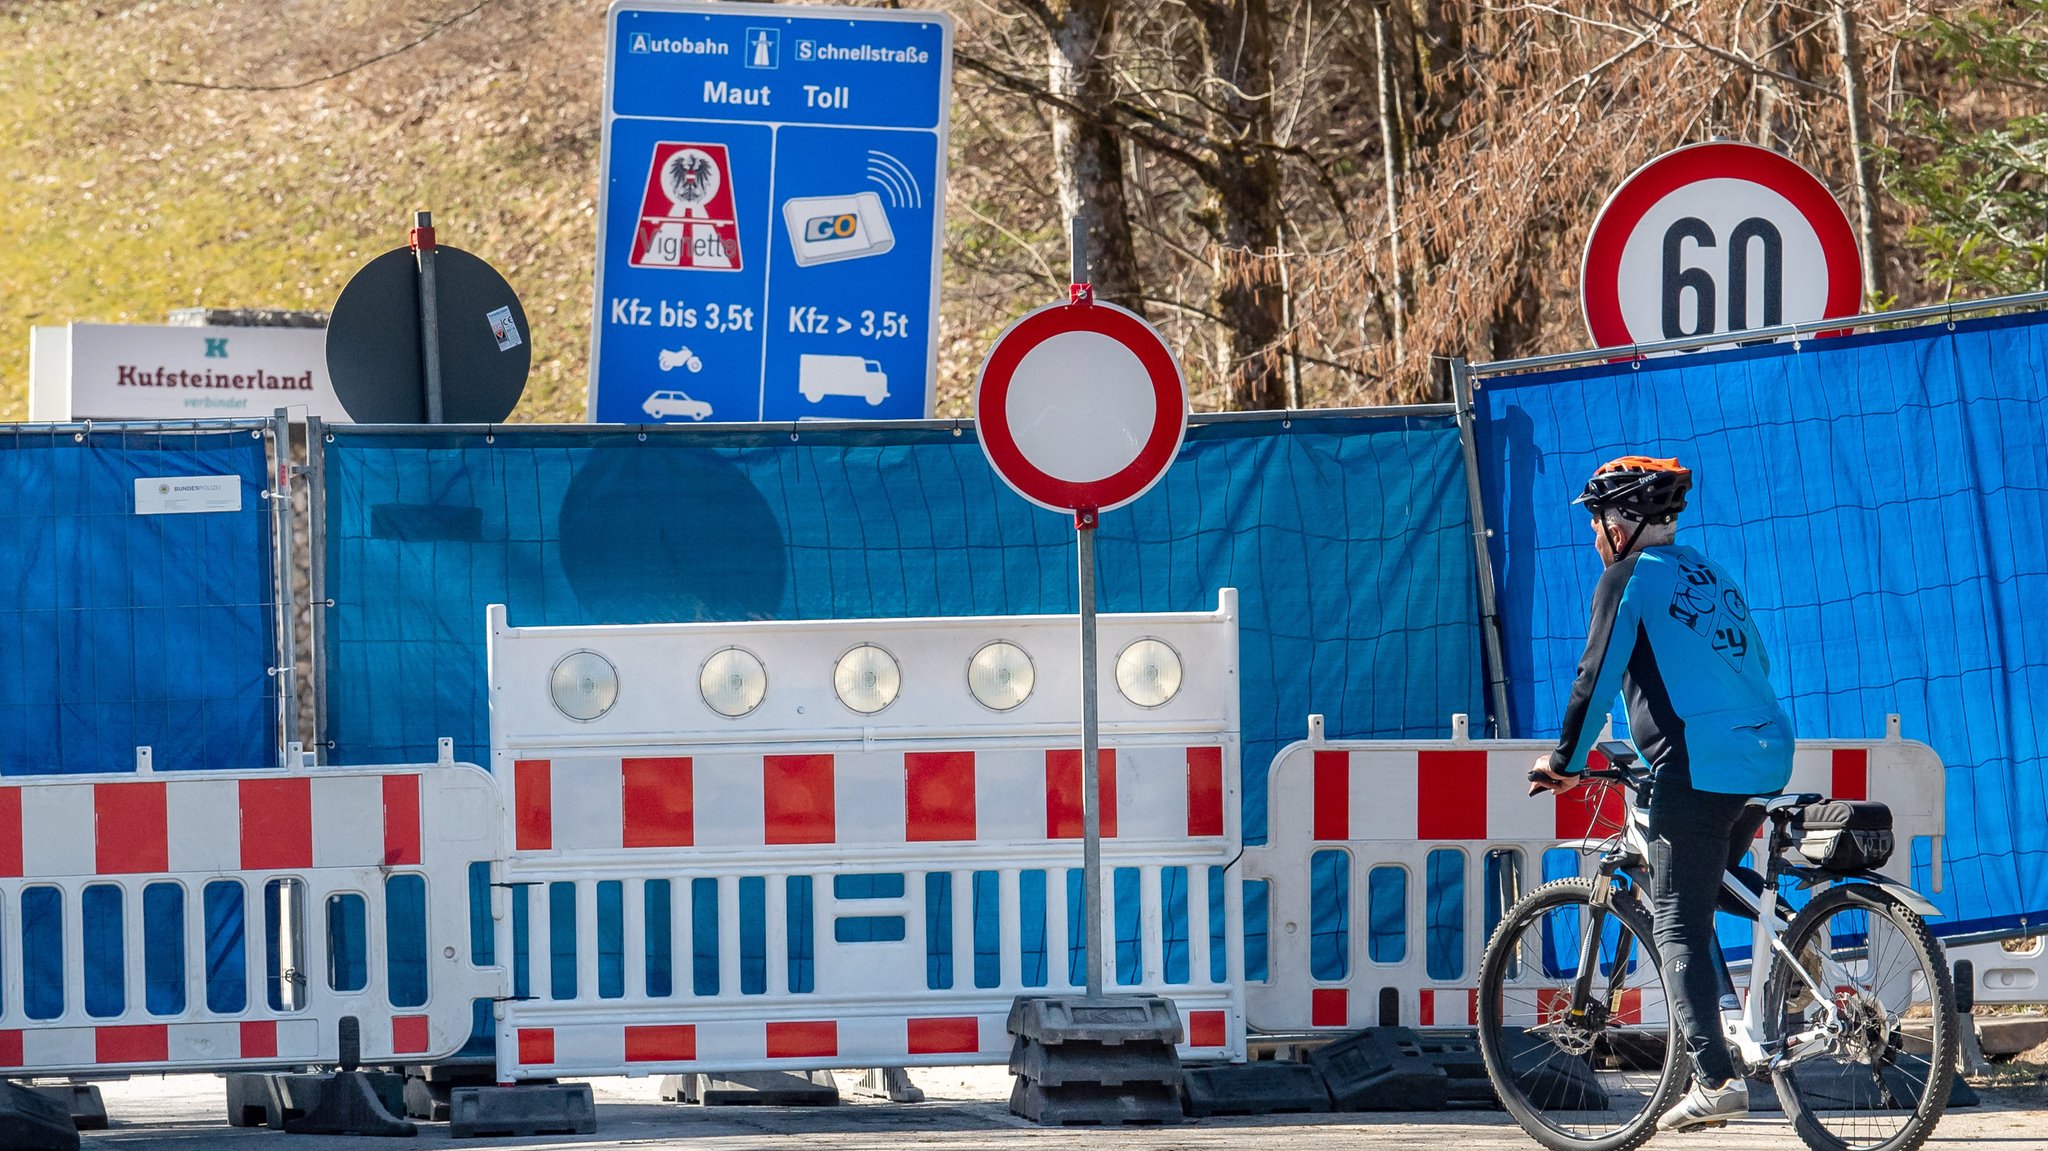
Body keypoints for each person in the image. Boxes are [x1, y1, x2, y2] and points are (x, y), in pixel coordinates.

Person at [1527, 456, 1794, 1131]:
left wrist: (1563, 760)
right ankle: (1791, 930)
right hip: (1764, 754)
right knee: (1704, 882)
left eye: (1596, 522)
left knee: (1676, 922)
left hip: (1697, 766)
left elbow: (1594, 675)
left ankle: (1715, 1079)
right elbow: (1757, 661)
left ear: (1624, 524)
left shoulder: (1627, 579)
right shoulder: (1709, 570)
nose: (1594, 536)